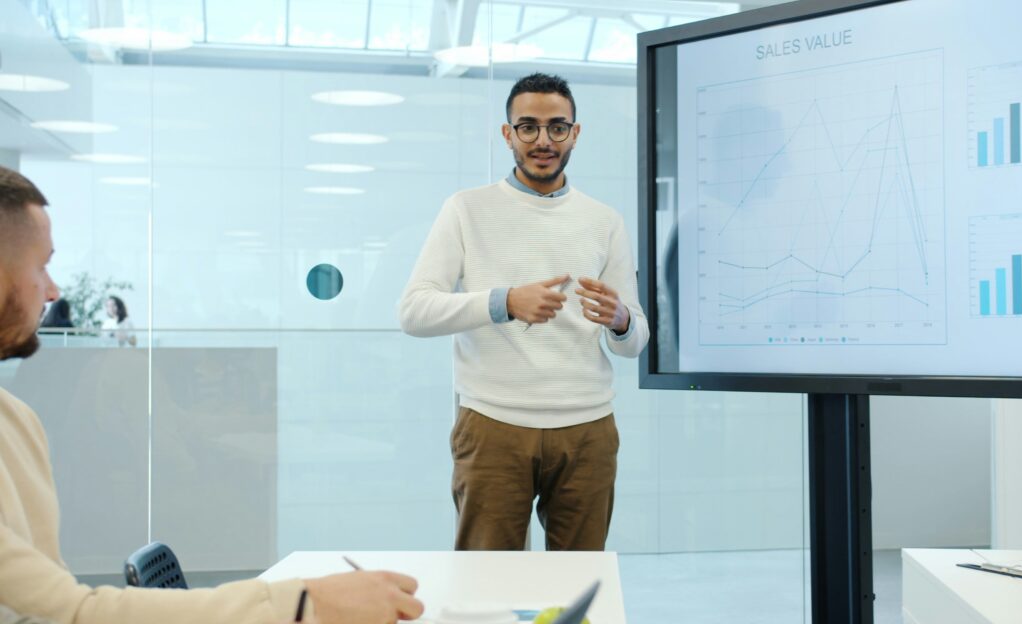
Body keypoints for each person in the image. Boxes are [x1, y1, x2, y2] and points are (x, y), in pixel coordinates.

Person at [0, 165, 425, 624]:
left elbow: (41, 610)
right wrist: (304, 603)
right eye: (40, 266)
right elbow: (70, 613)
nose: (53, 290)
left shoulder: (16, 417)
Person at [399, 73, 649, 551]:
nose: (543, 140)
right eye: (528, 127)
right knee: (488, 586)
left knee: (578, 585)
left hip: (588, 428)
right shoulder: (465, 209)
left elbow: (635, 342)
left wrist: (620, 320)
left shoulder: (604, 220)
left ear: (575, 133)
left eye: (557, 127)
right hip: (494, 425)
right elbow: (413, 311)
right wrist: (505, 302)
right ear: (507, 134)